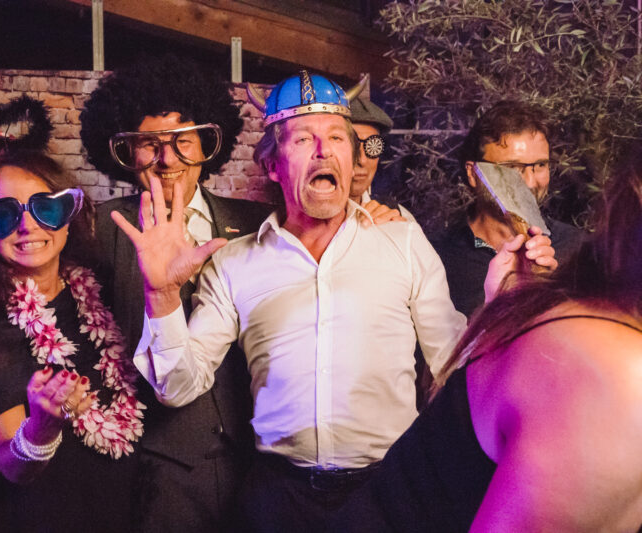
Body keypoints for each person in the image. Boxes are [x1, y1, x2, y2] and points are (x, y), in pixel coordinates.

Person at [114, 70, 557, 532]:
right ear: (273, 165)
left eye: (338, 138)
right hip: (278, 499)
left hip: (385, 491)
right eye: (304, 139)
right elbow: (177, 387)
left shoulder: (403, 243)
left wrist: (503, 305)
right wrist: (162, 295)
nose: (324, 151)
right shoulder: (234, 263)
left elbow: (454, 368)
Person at [335, 148, 642, 533]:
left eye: (539, 165)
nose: (528, 179)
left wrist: (508, 309)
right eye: (513, 168)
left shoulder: (577, 304)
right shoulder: (613, 370)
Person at [79, 55, 274, 532]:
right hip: (155, 470)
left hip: (260, 463)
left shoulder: (257, 225)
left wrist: (378, 214)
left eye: (183, 141)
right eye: (151, 144)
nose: (167, 160)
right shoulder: (97, 229)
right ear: (127, 152)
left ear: (207, 147)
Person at [0, 151, 142, 532]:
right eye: (4, 214)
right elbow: (11, 465)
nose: (27, 226)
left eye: (45, 208)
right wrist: (41, 428)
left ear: (68, 214)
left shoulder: (98, 289)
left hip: (114, 513)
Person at [431, 101, 583, 317]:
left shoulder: (579, 250)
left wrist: (551, 293)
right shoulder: (436, 256)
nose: (530, 183)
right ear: (473, 174)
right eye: (512, 168)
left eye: (540, 165)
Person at [348, 95, 415, 222]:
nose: (362, 160)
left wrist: (400, 231)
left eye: (373, 146)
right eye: (352, 146)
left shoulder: (396, 214)